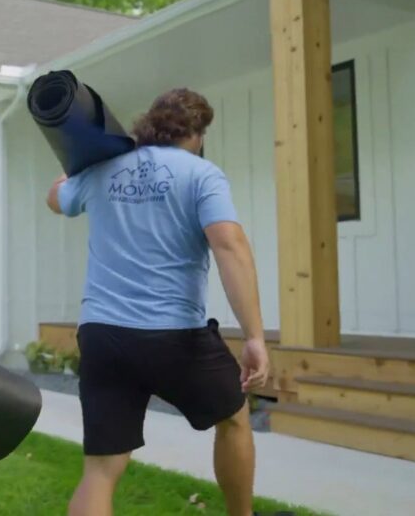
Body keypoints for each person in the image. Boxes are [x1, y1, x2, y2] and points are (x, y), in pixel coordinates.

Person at [47, 89, 270, 516]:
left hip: (102, 336)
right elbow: (229, 246)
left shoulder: (101, 169)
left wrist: (71, 167)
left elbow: (56, 200)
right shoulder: (202, 175)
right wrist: (255, 337)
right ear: (197, 134)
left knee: (101, 468)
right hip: (173, 336)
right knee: (235, 417)